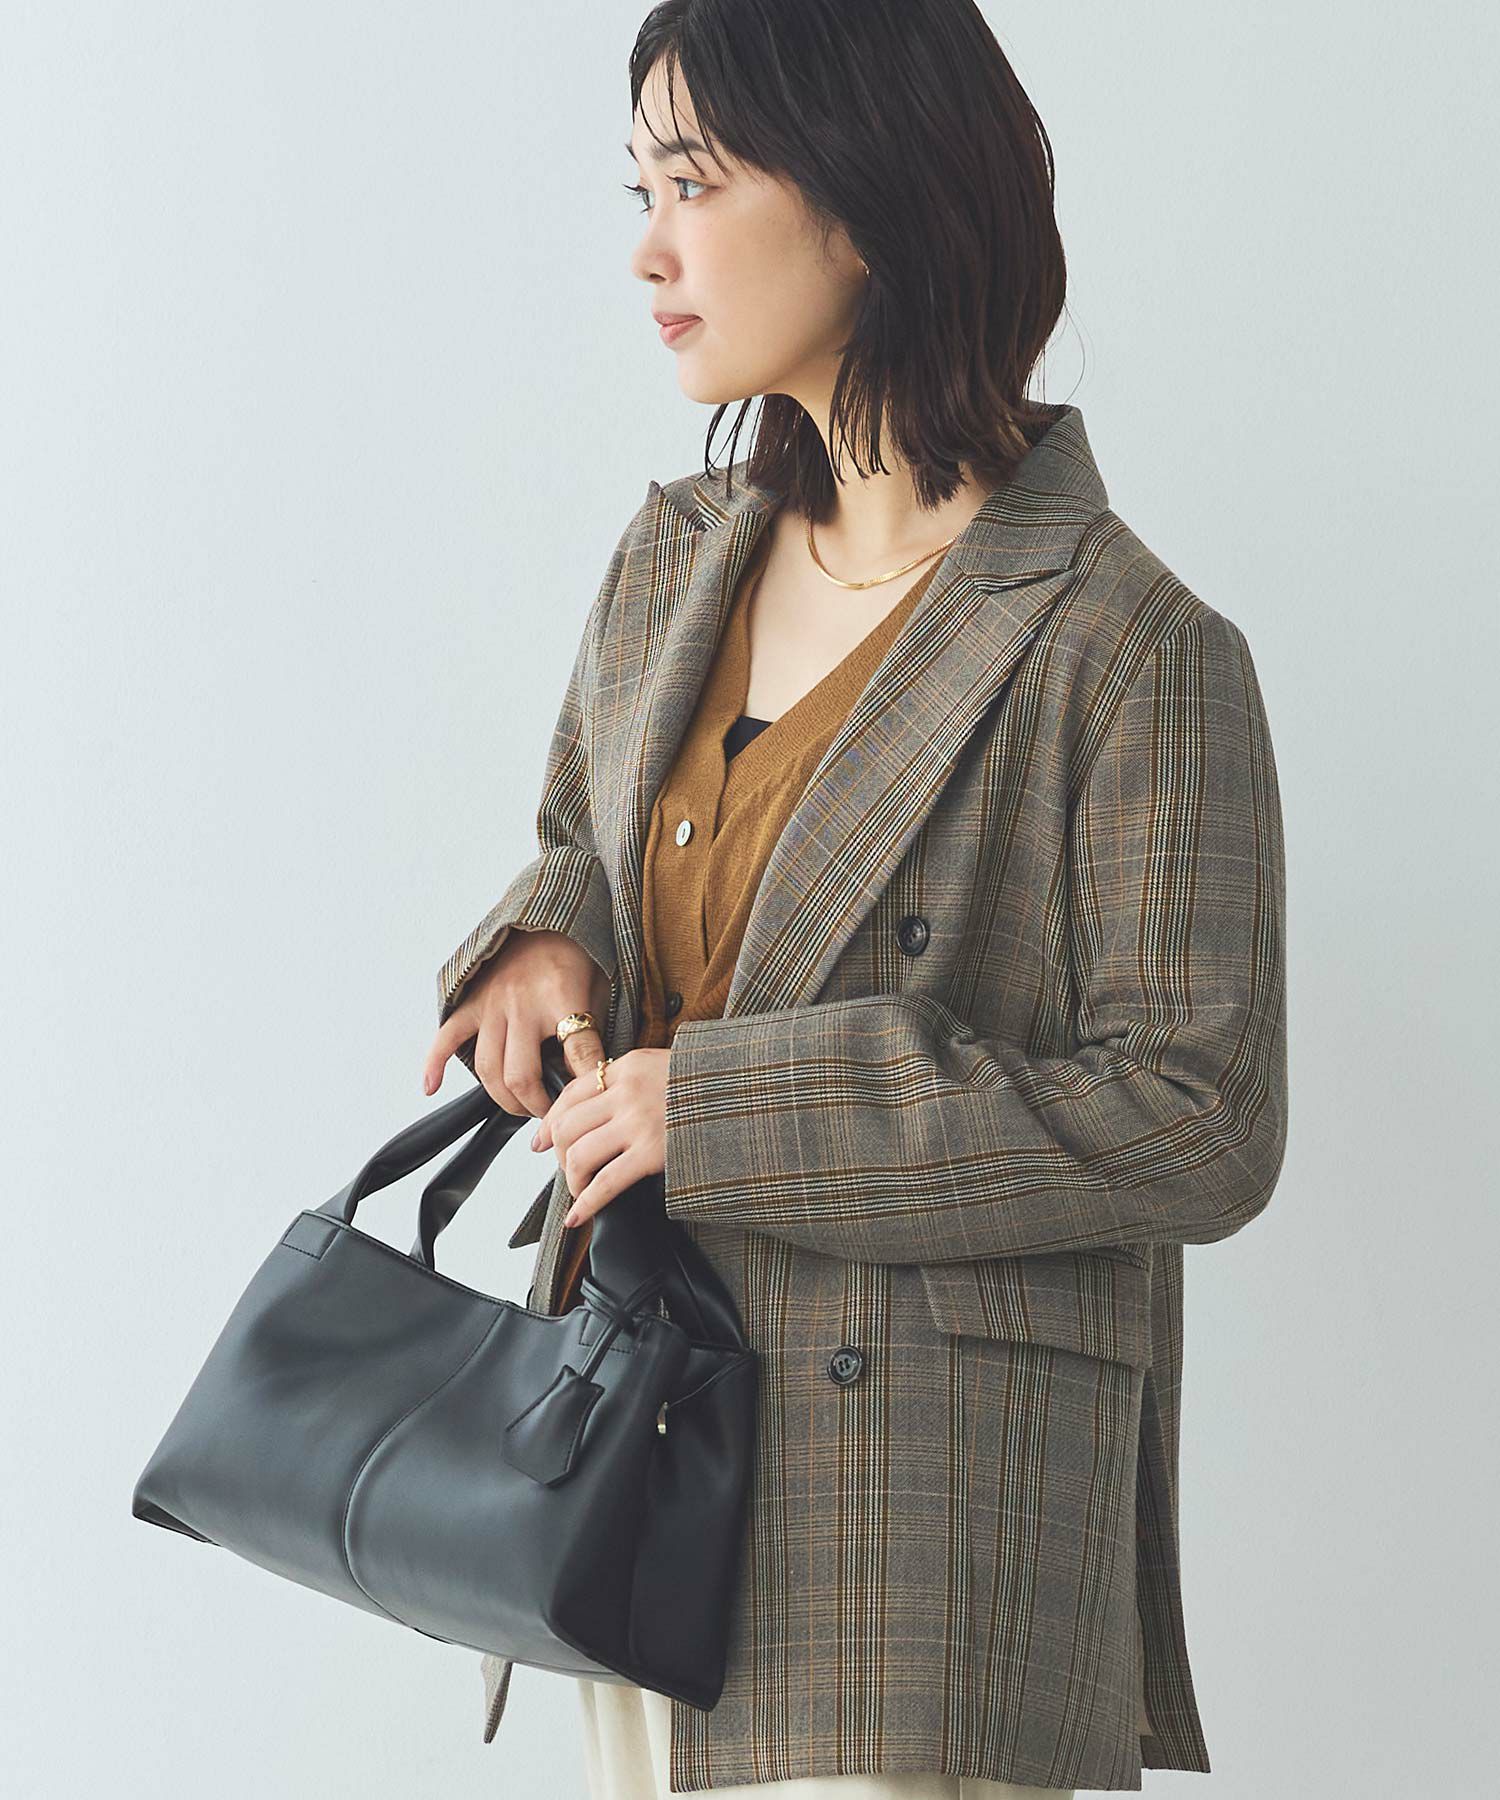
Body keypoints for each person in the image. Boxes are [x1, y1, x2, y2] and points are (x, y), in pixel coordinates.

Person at [423, 2, 1288, 1794]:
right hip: (627, 1461)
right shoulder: (676, 555)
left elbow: (1198, 1120)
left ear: (870, 195)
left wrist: (728, 1109)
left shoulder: (1126, 645)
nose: (649, 248)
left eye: (695, 183)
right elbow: (600, 837)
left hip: (915, 1547)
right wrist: (546, 929)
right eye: (642, 189)